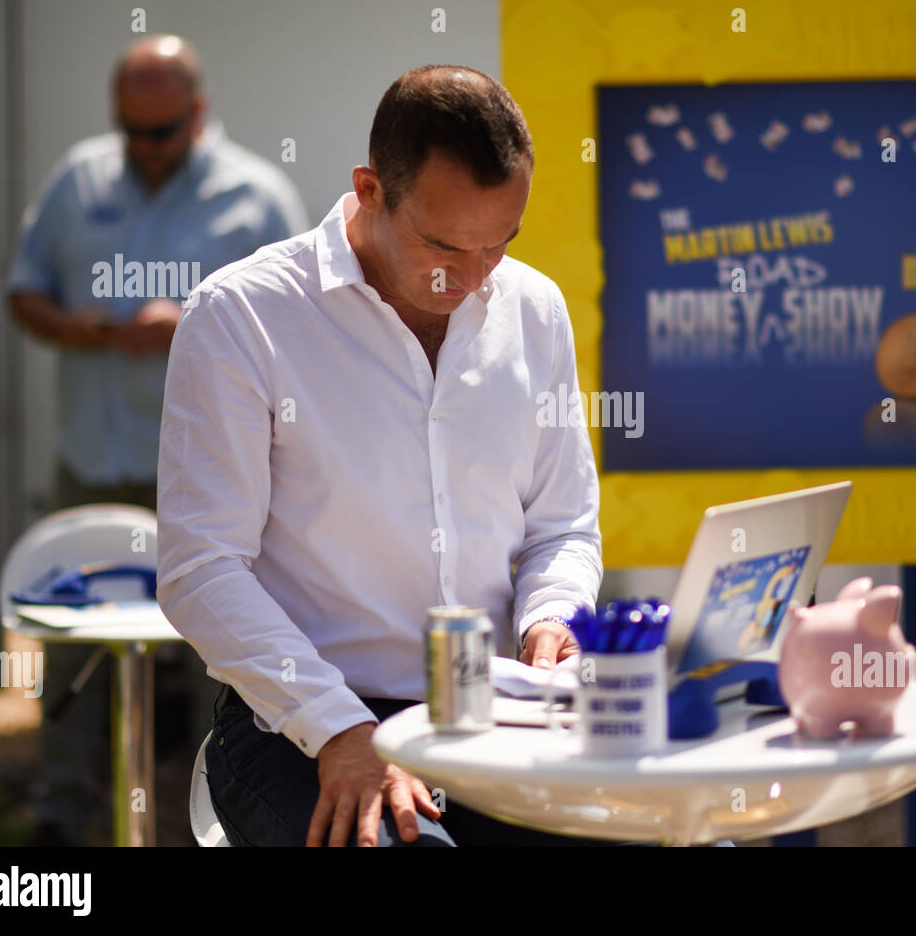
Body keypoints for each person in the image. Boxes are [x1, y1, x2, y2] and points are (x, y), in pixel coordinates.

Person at [155, 65, 607, 846]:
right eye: (443, 247)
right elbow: (201, 570)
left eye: (499, 244)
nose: (470, 280)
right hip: (298, 728)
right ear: (369, 190)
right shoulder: (240, 317)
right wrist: (338, 730)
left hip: (500, 719)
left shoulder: (536, 310)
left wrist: (552, 619)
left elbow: (562, 527)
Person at [6, 34, 309, 845]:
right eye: (131, 131)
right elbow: (23, 291)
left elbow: (300, 326)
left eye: (162, 132)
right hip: (94, 458)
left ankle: (203, 813)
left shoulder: (258, 194)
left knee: (218, 655)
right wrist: (74, 326)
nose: (143, 148)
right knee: (75, 650)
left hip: (213, 473)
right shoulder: (78, 180)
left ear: (198, 113)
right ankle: (66, 815)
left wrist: (193, 323)